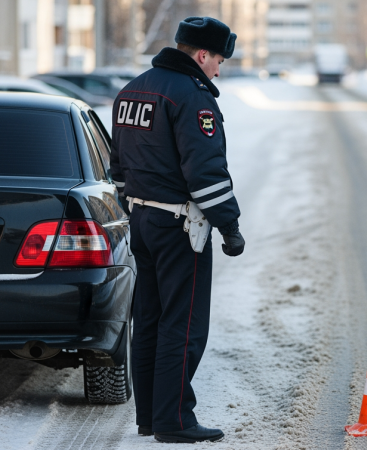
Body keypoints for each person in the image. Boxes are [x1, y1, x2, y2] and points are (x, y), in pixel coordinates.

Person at [110, 16, 245, 444]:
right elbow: (205, 172)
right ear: (202, 54)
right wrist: (230, 224)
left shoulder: (133, 90)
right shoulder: (192, 96)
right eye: (218, 60)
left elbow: (118, 167)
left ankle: (150, 416)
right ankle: (175, 420)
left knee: (148, 319)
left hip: (142, 220)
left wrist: (130, 209)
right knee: (183, 325)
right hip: (180, 225)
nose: (218, 70)